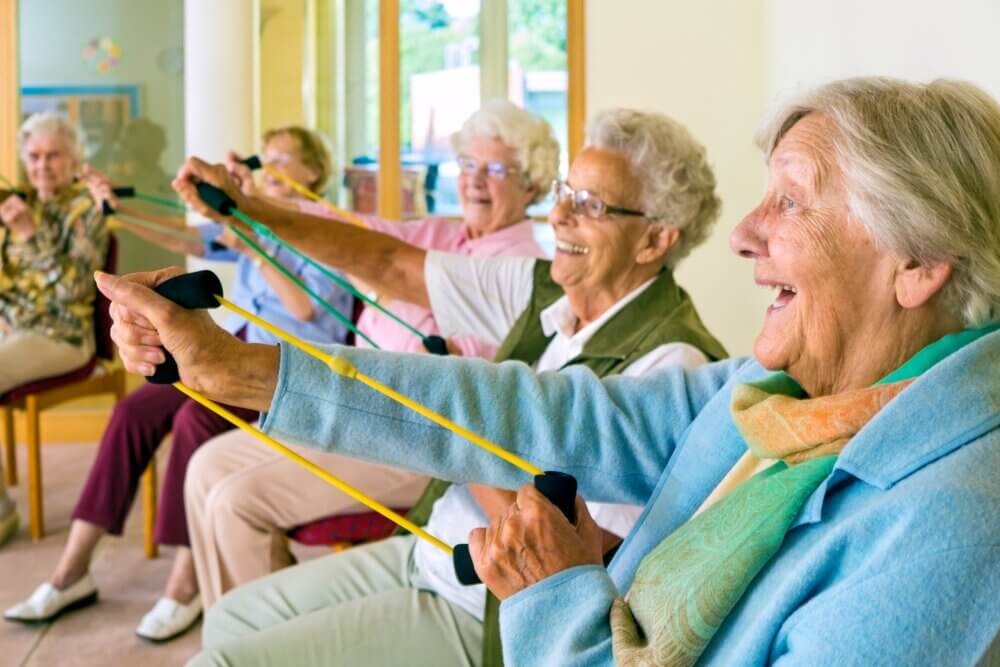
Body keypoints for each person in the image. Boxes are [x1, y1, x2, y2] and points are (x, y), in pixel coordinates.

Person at [107, 77, 1000, 665]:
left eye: (792, 201)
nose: (744, 234)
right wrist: (237, 369)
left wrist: (559, 592)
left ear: (918, 262)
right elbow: (528, 409)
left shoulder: (951, 522)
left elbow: (567, 530)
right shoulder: (778, 394)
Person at [142, 105, 725, 665]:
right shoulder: (549, 288)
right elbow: (389, 262)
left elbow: (591, 557)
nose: (560, 217)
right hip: (432, 547)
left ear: (655, 240)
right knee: (231, 620)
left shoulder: (673, 362)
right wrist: (248, 209)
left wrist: (456, 429)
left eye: (591, 205)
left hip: (486, 607)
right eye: (565, 193)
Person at [183, 100, 562, 609]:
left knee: (234, 502)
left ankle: (252, 637)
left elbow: (467, 373)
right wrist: (250, 203)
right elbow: (354, 234)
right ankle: (240, 628)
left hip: (417, 438)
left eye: (495, 170)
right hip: (349, 407)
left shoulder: (522, 264)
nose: (474, 180)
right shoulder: (441, 234)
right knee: (205, 468)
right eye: (468, 164)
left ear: (531, 184)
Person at [3, 126, 353, 643]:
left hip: (291, 369)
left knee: (195, 419)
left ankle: (185, 582)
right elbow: (186, 239)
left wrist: (253, 242)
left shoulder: (328, 230)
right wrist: (117, 210)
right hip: (240, 346)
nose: (271, 167)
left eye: (284, 158)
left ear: (314, 171)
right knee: (133, 412)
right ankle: (71, 570)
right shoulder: (257, 219)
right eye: (267, 157)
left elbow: (304, 310)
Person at [0, 113, 111, 547]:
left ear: (74, 159)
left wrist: (30, 233)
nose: (42, 165)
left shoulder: (86, 209)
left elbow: (76, 290)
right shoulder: (18, 201)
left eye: (54, 156)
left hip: (63, 336)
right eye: (34, 156)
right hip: (14, 331)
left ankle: (2, 513)